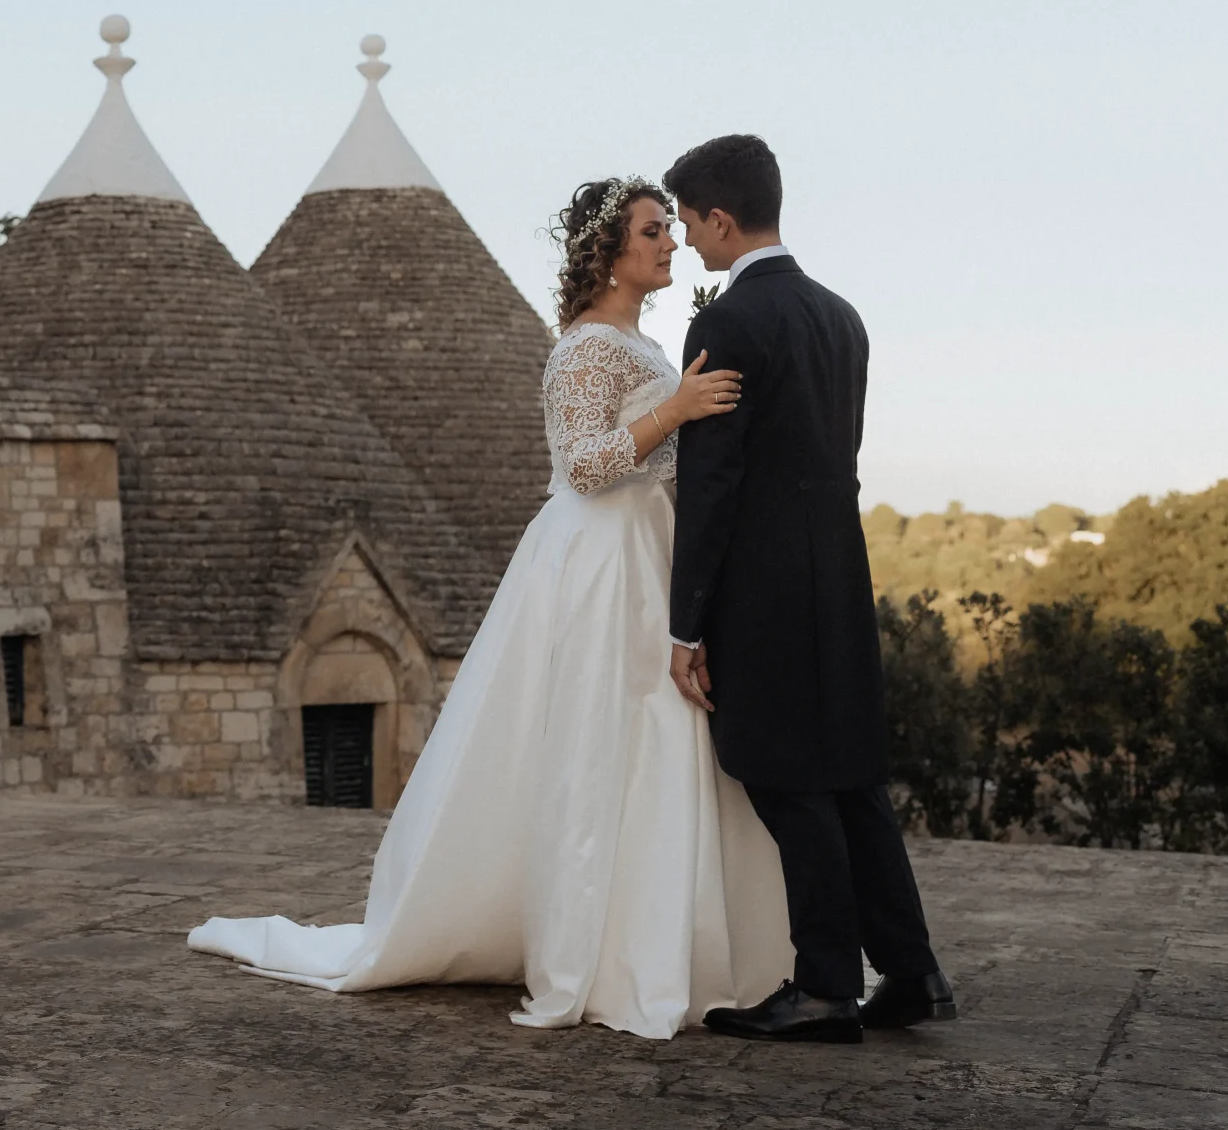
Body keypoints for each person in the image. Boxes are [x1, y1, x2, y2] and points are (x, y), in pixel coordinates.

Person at [188, 177, 791, 1039]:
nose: (669, 243)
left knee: (660, 739)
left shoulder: (640, 341)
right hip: (599, 560)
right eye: (653, 231)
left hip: (647, 550)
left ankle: (665, 932)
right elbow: (583, 465)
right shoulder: (585, 347)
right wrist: (677, 409)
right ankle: (594, 946)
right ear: (608, 253)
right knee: (598, 738)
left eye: (669, 228)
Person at [663, 134, 954, 1044]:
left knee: (788, 780)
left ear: (721, 218)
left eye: (689, 222)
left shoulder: (729, 324)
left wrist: (685, 624)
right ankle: (913, 973)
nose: (687, 238)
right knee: (852, 776)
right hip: (840, 573)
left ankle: (827, 985)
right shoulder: (842, 317)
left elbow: (713, 485)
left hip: (764, 592)